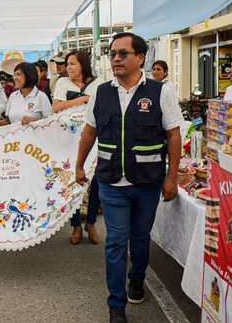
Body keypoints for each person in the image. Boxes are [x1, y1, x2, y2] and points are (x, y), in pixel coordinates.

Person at [75, 32, 182, 323]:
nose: (116, 59)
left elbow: (173, 135)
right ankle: (116, 305)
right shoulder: (100, 92)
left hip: (147, 182)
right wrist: (79, 166)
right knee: (116, 242)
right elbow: (88, 132)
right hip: (111, 182)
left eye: (123, 53)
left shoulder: (162, 92)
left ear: (140, 58)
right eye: (113, 54)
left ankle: (137, 278)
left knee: (140, 239)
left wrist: (171, 177)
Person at [51, 50, 101, 245]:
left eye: (72, 63)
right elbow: (56, 107)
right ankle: (76, 226)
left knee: (95, 181)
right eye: (68, 64)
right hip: (69, 140)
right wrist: (81, 99)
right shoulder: (62, 83)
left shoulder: (97, 83)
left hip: (93, 138)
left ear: (83, 65)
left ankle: (91, 223)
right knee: (72, 181)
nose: (69, 67)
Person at [0, 62, 52, 133]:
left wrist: (35, 121)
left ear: (29, 75)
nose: (14, 78)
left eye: (18, 74)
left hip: (34, 142)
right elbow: (9, 120)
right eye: (14, 75)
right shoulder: (13, 96)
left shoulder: (41, 97)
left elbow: (50, 123)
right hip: (16, 142)